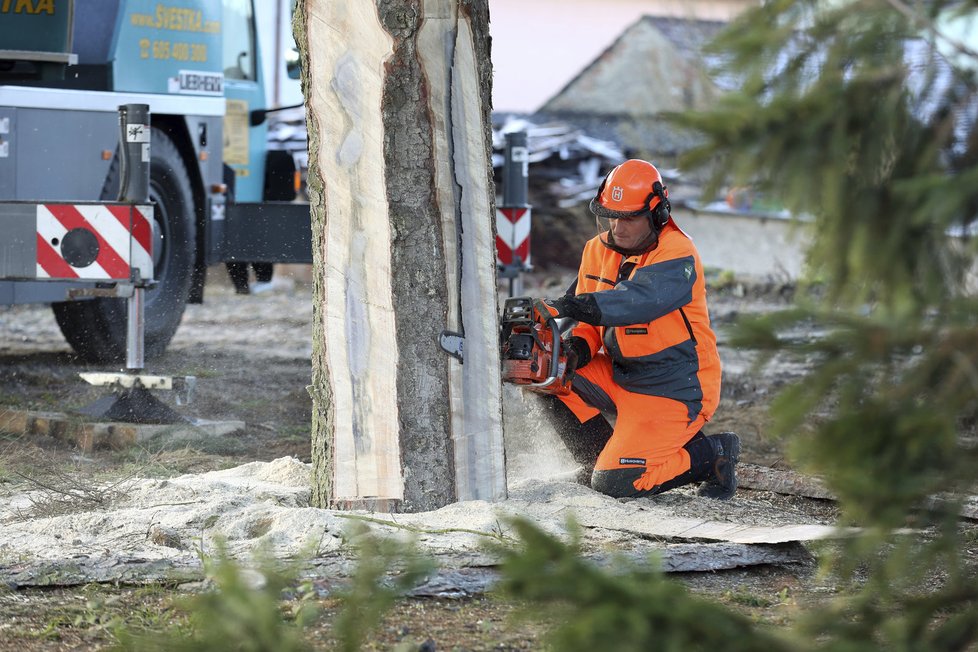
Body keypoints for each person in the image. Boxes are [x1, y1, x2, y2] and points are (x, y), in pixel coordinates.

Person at [542, 159, 739, 500]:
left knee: (617, 485)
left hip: (675, 387)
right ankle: (599, 463)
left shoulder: (678, 255)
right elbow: (590, 321)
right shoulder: (597, 250)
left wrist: (567, 305)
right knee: (546, 369)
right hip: (622, 374)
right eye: (611, 216)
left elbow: (634, 301)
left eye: (629, 217)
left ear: (657, 214)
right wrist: (576, 349)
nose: (618, 227)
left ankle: (712, 454)